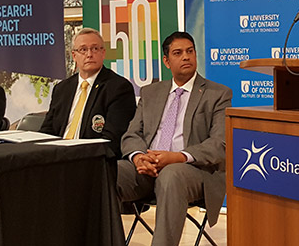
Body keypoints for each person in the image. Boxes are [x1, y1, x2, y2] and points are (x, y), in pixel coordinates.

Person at [117, 31, 232, 246]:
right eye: (178, 53)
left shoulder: (218, 94)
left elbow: (220, 144)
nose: (186, 57)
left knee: (171, 175)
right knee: (109, 172)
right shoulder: (150, 92)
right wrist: (139, 157)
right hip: (147, 167)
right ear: (167, 62)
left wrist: (177, 157)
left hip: (192, 170)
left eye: (190, 52)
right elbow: (132, 134)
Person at [40, 28, 136, 158]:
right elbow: (47, 131)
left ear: (103, 53)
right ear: (74, 56)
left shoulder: (118, 88)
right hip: (56, 157)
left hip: (90, 160)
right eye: (83, 49)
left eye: (95, 49)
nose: (89, 54)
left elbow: (111, 140)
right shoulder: (62, 88)